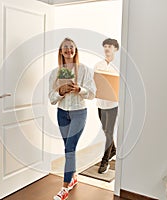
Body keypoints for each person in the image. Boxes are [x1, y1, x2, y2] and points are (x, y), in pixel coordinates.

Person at [49, 38, 96, 200]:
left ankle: (64, 189)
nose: (68, 50)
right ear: (61, 52)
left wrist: (80, 89)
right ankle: (73, 177)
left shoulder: (84, 70)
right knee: (69, 149)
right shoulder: (56, 72)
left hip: (78, 113)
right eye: (65, 48)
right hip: (62, 113)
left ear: (75, 50)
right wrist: (60, 92)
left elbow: (92, 94)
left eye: (71, 47)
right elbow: (51, 98)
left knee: (69, 149)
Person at [95, 38, 119, 174]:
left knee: (109, 132)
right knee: (105, 130)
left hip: (113, 104)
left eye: (109, 46)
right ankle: (113, 150)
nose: (106, 48)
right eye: (105, 46)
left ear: (115, 49)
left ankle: (105, 161)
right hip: (100, 104)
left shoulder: (119, 66)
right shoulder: (98, 65)